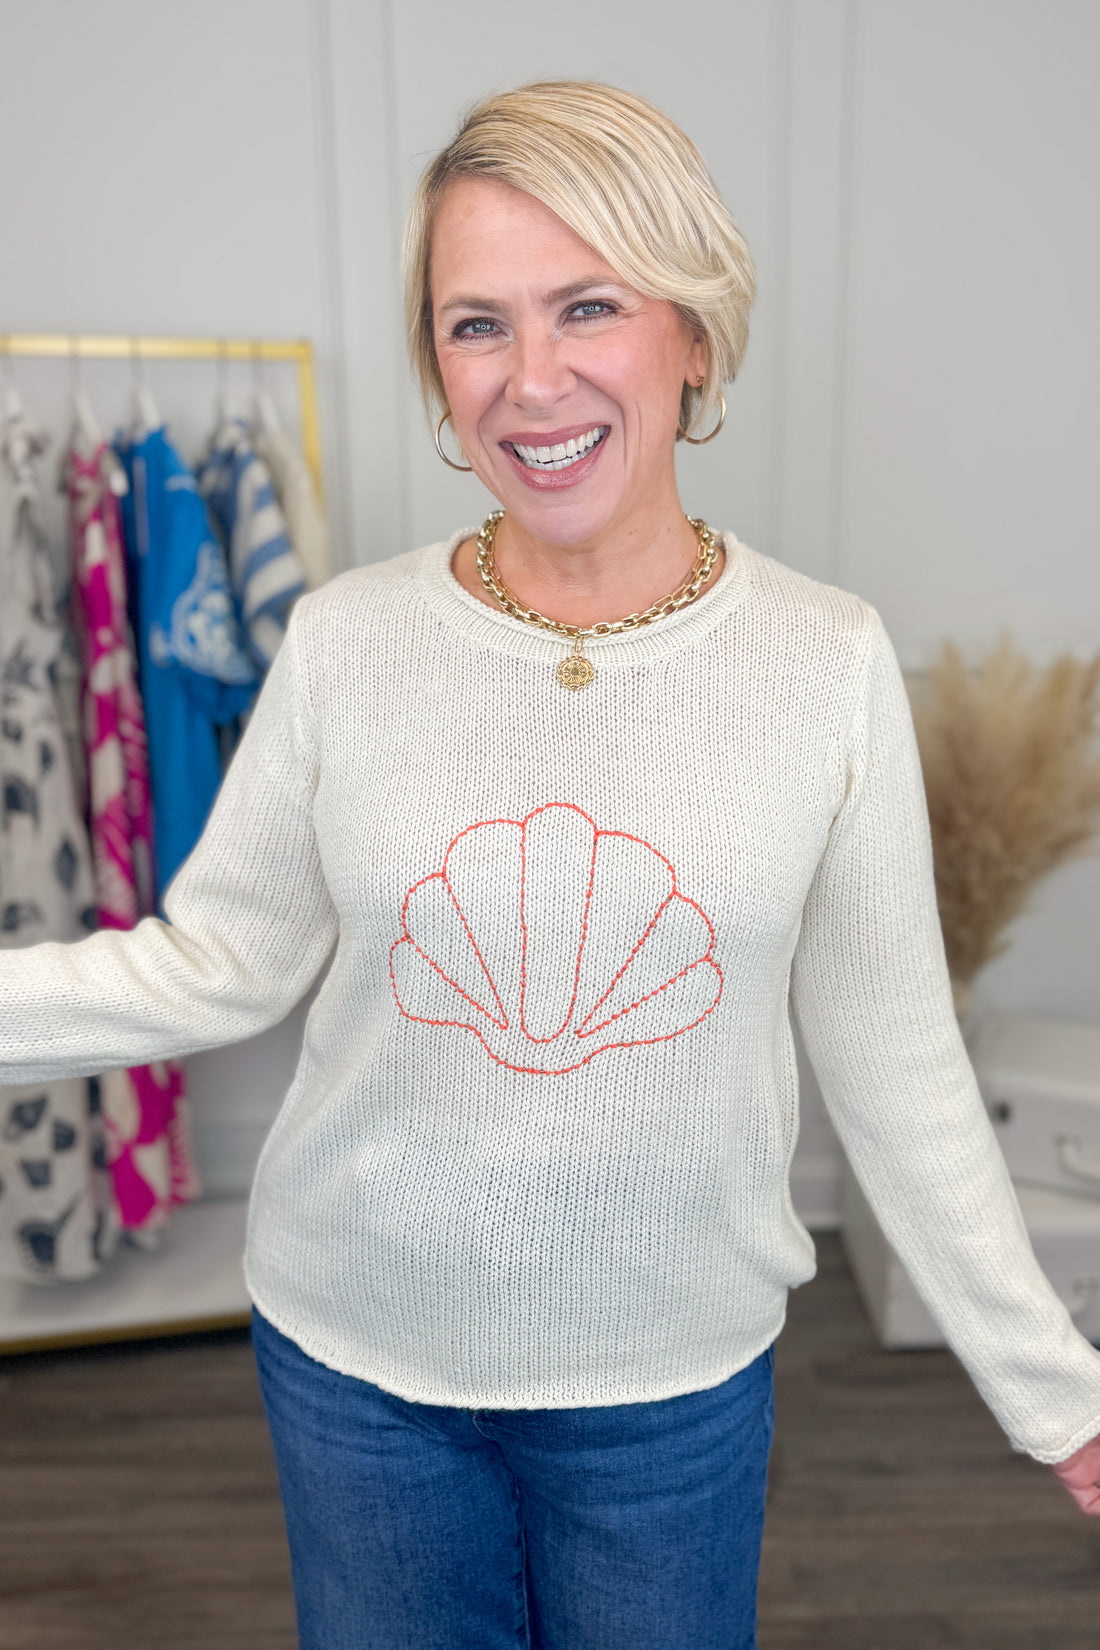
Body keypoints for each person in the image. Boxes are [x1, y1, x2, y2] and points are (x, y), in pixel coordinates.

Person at [3, 79, 1100, 1650]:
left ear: (694, 332)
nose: (532, 381)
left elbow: (893, 1056)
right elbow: (211, 961)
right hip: (358, 1371)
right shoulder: (345, 642)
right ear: (437, 372)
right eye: (475, 325)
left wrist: (1055, 1390)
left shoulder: (822, 661)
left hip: (668, 1392)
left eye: (587, 305)